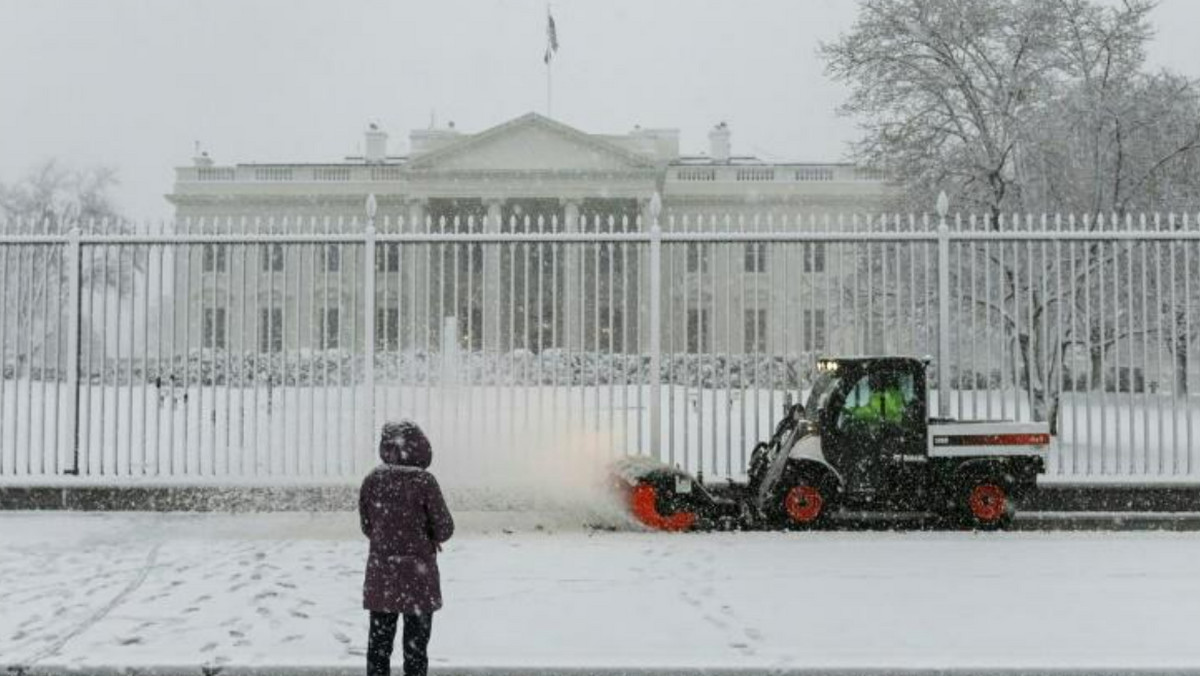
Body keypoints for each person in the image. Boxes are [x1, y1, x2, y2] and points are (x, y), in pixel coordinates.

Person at [360, 421, 455, 676]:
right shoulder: (424, 482)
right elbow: (445, 528)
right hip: (418, 579)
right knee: (415, 652)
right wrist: (426, 537)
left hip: (383, 578)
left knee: (378, 650)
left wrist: (389, 539)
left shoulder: (372, 480)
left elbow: (367, 526)